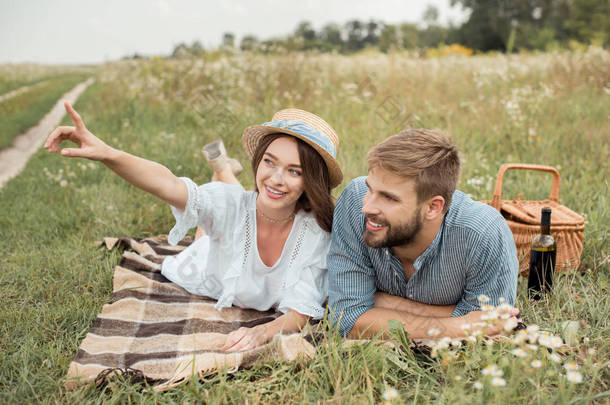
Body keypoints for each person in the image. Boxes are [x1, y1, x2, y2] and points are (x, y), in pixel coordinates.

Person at [45, 102, 343, 352]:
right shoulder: (232, 206)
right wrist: (109, 153)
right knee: (216, 218)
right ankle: (223, 171)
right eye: (269, 162)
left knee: (229, 209)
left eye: (294, 171)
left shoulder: (316, 233)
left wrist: (262, 333)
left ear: (311, 181)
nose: (276, 178)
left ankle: (222, 169)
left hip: (235, 215)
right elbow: (168, 184)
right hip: (212, 265)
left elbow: (302, 311)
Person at [327, 128, 520, 340]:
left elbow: (491, 327)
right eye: (370, 189)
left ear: (433, 207)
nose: (368, 207)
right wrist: (460, 323)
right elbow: (346, 319)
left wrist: (383, 302)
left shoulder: (483, 233)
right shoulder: (355, 202)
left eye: (389, 198)